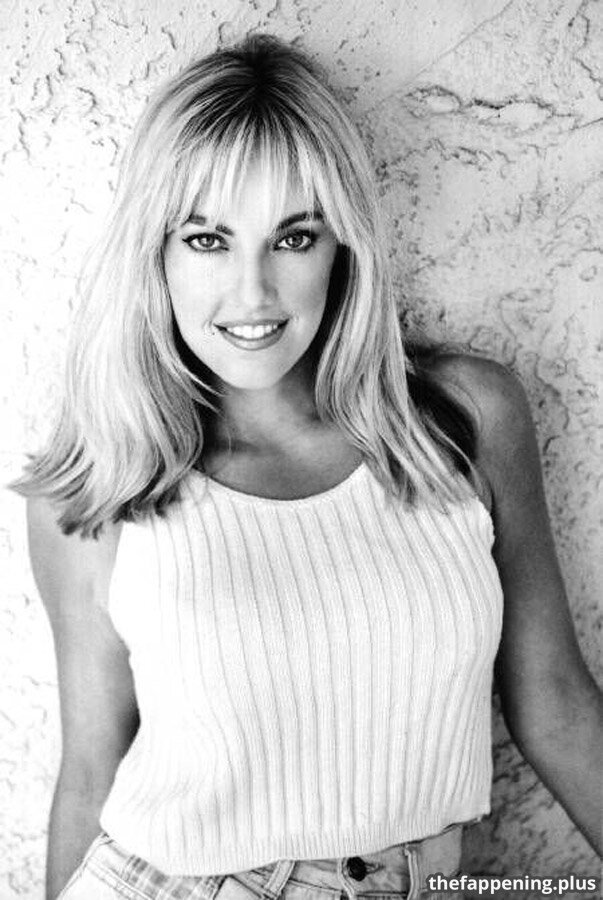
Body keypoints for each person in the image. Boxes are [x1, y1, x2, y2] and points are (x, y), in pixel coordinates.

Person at [13, 33, 601, 900]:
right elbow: (90, 772)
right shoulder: (108, 482)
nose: (252, 293)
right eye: (207, 239)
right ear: (155, 251)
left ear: (341, 246)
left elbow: (552, 698)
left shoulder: (463, 420)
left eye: (292, 237)